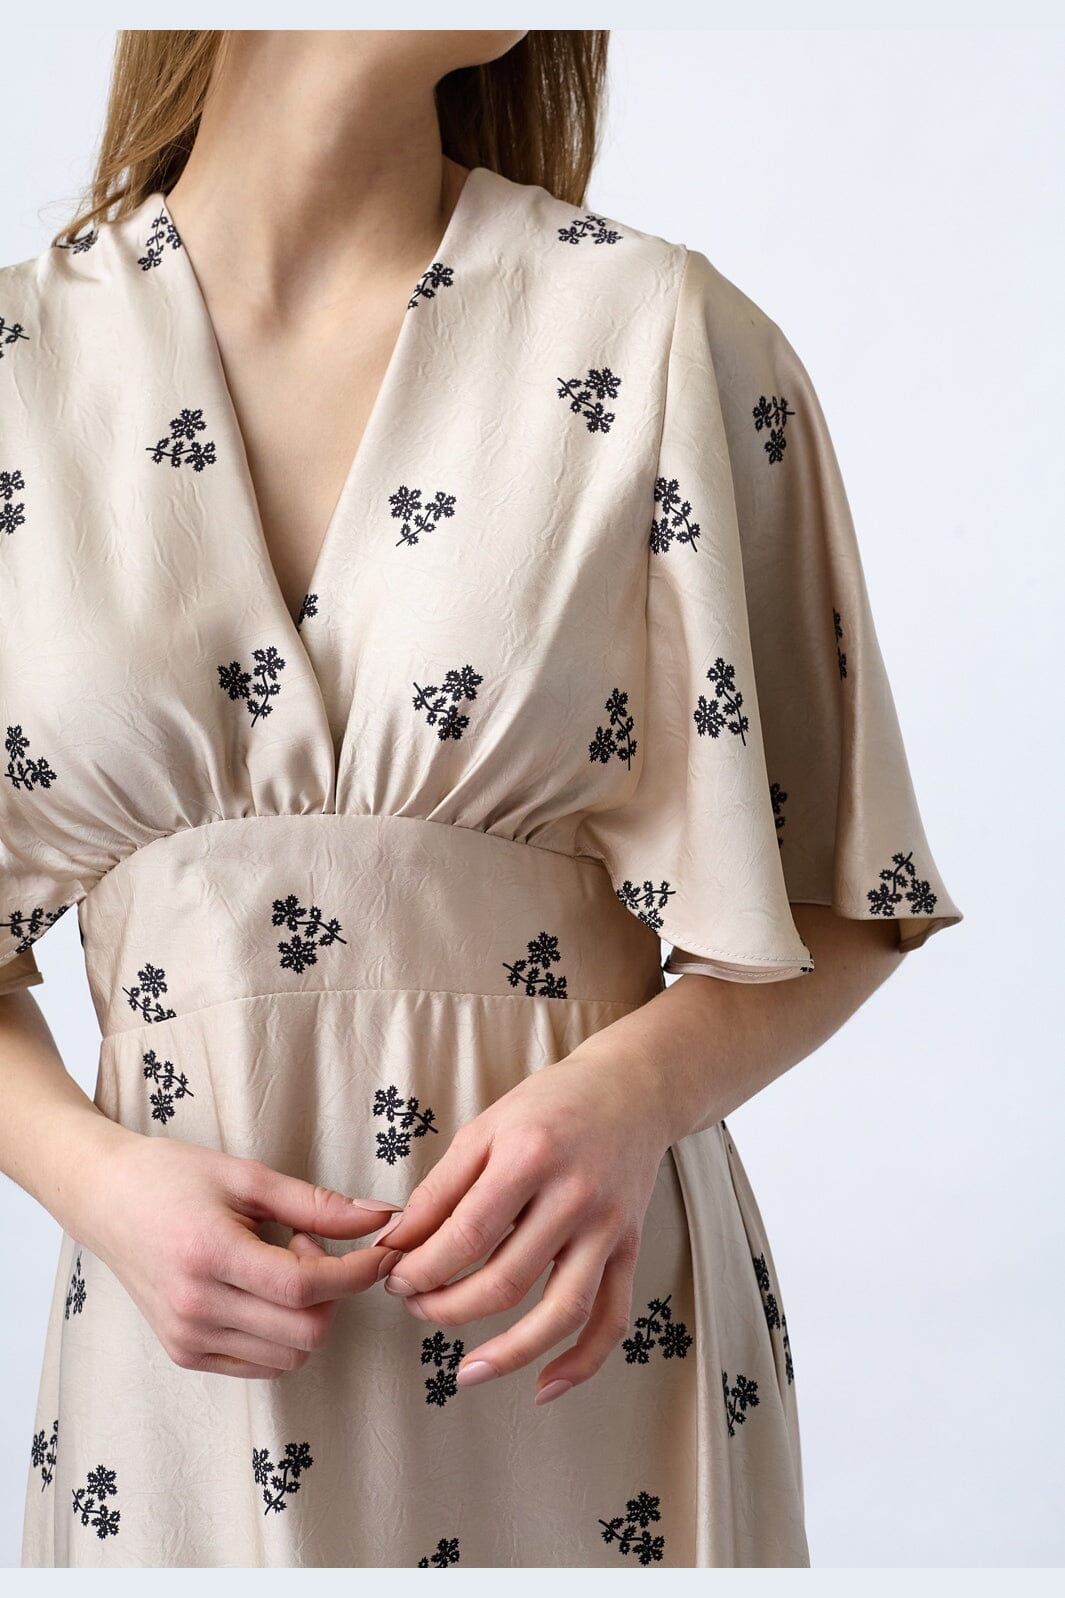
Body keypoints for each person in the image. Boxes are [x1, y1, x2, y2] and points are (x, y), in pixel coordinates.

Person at [1, 28, 963, 1569]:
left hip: (575, 1349)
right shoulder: (19, 373)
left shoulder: (655, 333)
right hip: (183, 1381)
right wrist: (94, 1178)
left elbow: (847, 885)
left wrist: (632, 1098)